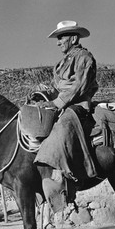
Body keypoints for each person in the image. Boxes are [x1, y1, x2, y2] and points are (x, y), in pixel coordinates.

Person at [33, 21, 99, 210]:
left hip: (78, 105)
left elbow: (79, 86)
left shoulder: (85, 58)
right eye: (58, 38)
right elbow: (58, 87)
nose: (58, 42)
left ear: (73, 38)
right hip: (61, 103)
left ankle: (65, 179)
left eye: (61, 37)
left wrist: (57, 103)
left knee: (62, 129)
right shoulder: (63, 62)